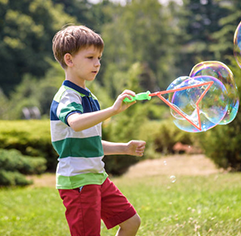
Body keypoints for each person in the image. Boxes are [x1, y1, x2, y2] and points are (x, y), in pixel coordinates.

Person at [50, 25, 146, 236]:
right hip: (78, 180)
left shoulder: (88, 97)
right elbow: (75, 122)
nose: (97, 63)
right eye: (91, 57)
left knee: (131, 222)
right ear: (69, 60)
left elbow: (88, 142)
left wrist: (125, 148)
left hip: (96, 176)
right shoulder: (67, 97)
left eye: (99, 57)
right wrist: (112, 110)